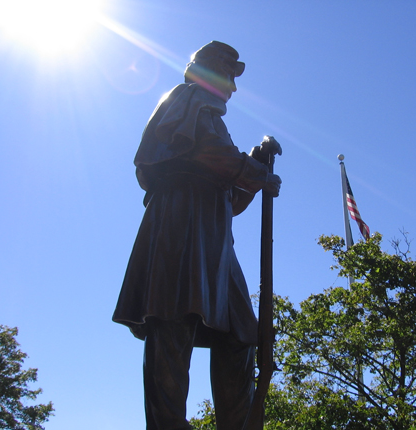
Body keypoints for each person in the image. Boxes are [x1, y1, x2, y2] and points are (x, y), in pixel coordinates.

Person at [112, 41, 282, 430]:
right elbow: (210, 153)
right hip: (179, 221)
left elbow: (229, 198)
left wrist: (254, 165)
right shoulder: (186, 98)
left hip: (214, 237)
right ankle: (168, 424)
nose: (233, 89)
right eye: (228, 76)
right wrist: (257, 175)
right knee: (173, 321)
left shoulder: (207, 115)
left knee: (242, 331)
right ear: (205, 72)